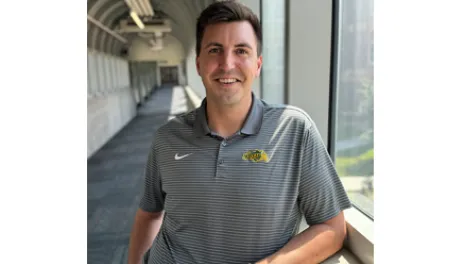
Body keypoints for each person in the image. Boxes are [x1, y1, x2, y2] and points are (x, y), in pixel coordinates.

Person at [128, 1, 352, 263]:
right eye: (215, 50)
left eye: (241, 51)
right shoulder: (167, 138)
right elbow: (149, 213)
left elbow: (332, 228)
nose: (227, 64)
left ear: (257, 65)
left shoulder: (293, 130)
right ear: (198, 64)